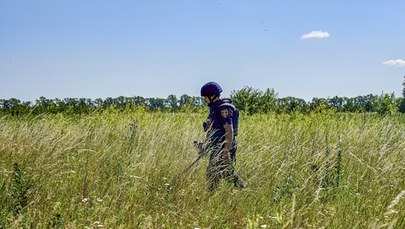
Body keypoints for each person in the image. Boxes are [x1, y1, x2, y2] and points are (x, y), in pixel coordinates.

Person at [200, 81, 246, 192]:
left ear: (212, 96)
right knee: (223, 173)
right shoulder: (214, 109)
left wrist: (225, 153)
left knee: (215, 173)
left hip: (224, 147)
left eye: (205, 97)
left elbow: (229, 131)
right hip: (218, 147)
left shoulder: (223, 109)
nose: (204, 100)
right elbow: (213, 130)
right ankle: (242, 189)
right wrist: (204, 142)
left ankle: (242, 188)